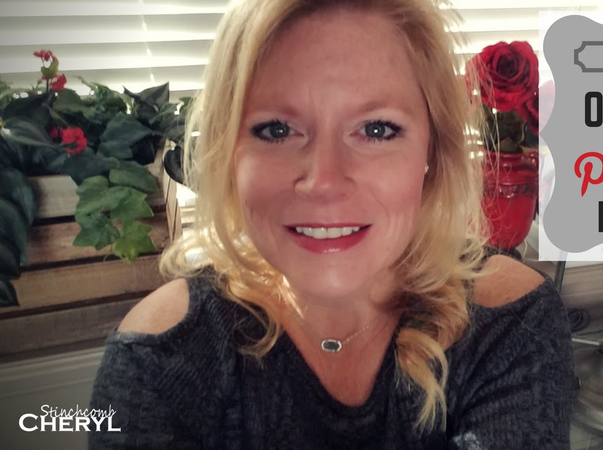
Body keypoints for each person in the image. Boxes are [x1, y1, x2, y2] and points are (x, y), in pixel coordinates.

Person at [88, 0, 575, 448]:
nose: (324, 182)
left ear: (433, 149)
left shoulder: (511, 327)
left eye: (377, 129)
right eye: (276, 129)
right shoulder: (158, 360)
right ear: (228, 153)